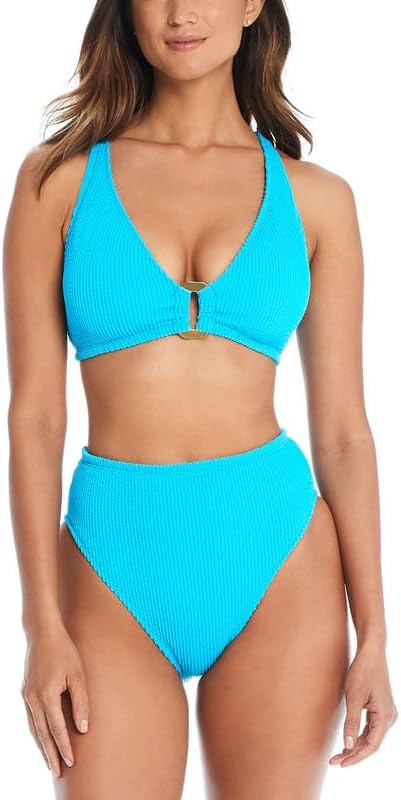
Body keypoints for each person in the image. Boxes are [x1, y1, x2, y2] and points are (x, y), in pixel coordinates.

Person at [3, 1, 397, 798]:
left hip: (278, 556)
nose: (181, 12)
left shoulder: (317, 198)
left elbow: (343, 434)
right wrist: (40, 623)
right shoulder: (57, 181)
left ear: (251, 4)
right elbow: (35, 418)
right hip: (111, 558)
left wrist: (375, 637)